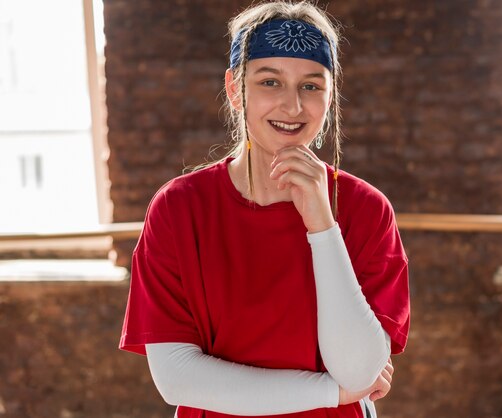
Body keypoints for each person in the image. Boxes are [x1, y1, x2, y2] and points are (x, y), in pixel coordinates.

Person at [119, 2, 410, 418]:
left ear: (330, 97)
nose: (292, 107)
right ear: (235, 90)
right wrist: (333, 393)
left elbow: (358, 369)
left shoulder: (367, 210)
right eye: (270, 82)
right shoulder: (178, 209)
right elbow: (178, 378)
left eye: (311, 86)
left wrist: (322, 225)